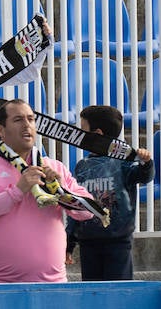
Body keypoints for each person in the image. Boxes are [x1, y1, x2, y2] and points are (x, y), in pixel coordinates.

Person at [0, 98, 95, 283]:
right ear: (0, 130)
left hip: (53, 284)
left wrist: (61, 192)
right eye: (18, 120)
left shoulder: (54, 168)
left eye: (31, 119)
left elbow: (89, 211)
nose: (27, 125)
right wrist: (17, 191)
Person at [66, 104, 155, 280]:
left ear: (97, 134)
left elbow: (145, 177)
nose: (80, 136)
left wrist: (147, 162)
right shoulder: (82, 166)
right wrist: (69, 243)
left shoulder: (125, 162)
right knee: (92, 293)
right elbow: (77, 205)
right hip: (88, 242)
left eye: (83, 131)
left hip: (118, 243)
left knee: (118, 292)